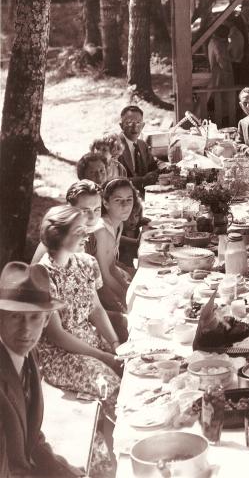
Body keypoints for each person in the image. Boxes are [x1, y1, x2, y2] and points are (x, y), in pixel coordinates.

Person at [0, 262, 85, 477]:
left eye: (35, 317)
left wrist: (67, 473)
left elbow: (31, 439)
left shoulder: (28, 355)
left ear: (47, 319)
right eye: (16, 316)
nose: (26, 329)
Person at [37, 206, 122, 405]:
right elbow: (56, 334)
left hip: (91, 342)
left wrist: (115, 344)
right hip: (61, 355)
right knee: (112, 385)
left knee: (135, 364)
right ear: (57, 235)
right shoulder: (42, 275)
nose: (87, 234)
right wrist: (104, 356)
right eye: (79, 231)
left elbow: (96, 309)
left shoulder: (86, 262)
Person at [32, 180, 103, 264]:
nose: (93, 217)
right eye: (85, 211)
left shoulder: (93, 235)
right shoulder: (55, 241)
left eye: (97, 210)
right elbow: (33, 273)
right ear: (69, 209)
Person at [94, 178, 136, 320]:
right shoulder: (101, 231)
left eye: (129, 199)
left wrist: (128, 292)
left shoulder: (118, 224)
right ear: (106, 203)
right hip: (96, 293)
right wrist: (126, 299)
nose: (125, 206)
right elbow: (104, 276)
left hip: (107, 284)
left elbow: (112, 267)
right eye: (118, 200)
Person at [117, 105, 163, 191]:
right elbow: (114, 180)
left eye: (138, 123)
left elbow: (153, 166)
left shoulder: (142, 145)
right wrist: (142, 180)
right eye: (129, 123)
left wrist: (166, 168)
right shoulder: (114, 146)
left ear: (143, 125)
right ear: (121, 125)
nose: (135, 127)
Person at [233, 0, 249, 84]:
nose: (248, 11)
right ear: (242, 9)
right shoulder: (236, 21)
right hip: (241, 51)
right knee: (241, 75)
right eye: (246, 9)